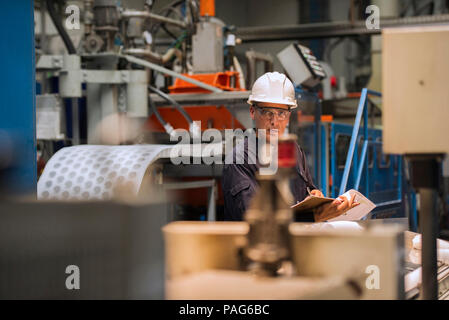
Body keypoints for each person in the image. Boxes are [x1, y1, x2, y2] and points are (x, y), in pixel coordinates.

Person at [222, 72, 358, 222]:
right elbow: (256, 223)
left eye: (281, 113)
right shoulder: (239, 160)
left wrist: (315, 195)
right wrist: (316, 215)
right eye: (267, 112)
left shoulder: (293, 150)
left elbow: (307, 190)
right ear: (252, 112)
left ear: (289, 115)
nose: (274, 122)